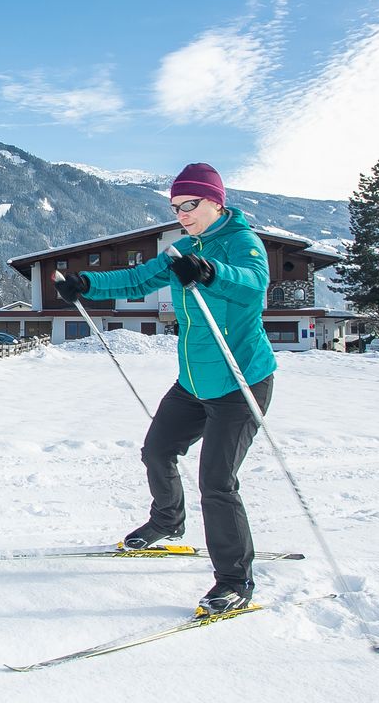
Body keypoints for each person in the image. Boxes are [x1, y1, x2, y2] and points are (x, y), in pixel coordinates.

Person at [52, 162, 276, 616]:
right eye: (176, 207)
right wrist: (86, 283)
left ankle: (235, 580)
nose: (182, 214)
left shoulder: (243, 244)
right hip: (193, 382)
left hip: (239, 382)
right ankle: (168, 522)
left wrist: (212, 272)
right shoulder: (181, 250)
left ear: (216, 201)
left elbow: (255, 287)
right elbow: (138, 278)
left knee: (216, 482)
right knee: (157, 450)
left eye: (189, 205)